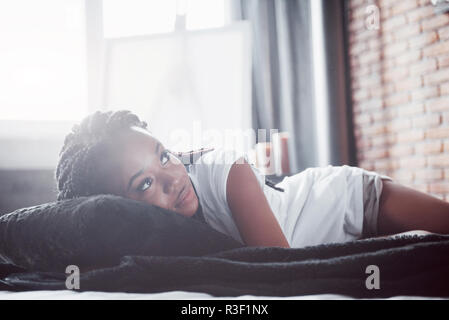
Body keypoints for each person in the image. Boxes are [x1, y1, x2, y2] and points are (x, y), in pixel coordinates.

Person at [55, 110, 449, 248]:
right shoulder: (139, 233)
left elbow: (278, 272)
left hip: (350, 203)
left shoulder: (229, 173)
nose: (172, 178)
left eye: (165, 155)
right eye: (144, 184)